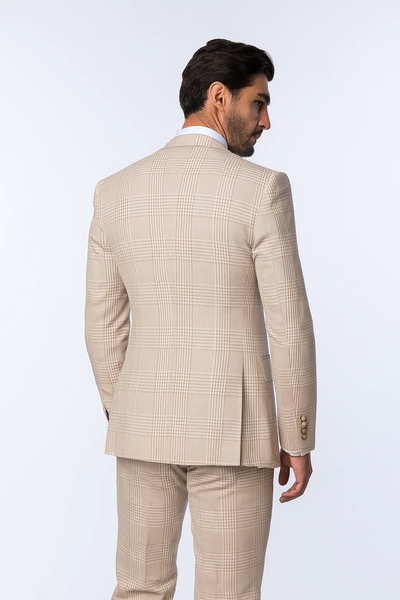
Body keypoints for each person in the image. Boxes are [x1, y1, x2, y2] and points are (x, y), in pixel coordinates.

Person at [85, 38, 317, 600]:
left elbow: (103, 325)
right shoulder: (262, 189)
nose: (266, 120)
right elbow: (288, 325)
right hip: (235, 429)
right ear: (219, 97)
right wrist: (297, 436)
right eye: (258, 102)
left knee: (138, 588)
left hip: (141, 425)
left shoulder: (114, 191)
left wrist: (127, 409)